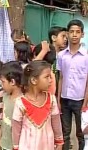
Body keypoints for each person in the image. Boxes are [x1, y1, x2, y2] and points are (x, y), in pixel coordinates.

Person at [12, 60, 64, 150]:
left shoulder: (51, 99)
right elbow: (16, 129)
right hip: (27, 146)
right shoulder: (20, 103)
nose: (51, 80)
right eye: (47, 77)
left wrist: (59, 142)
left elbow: (56, 123)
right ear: (34, 80)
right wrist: (16, 147)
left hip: (47, 146)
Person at [57, 19, 88, 150]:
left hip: (80, 100)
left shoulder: (86, 56)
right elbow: (61, 78)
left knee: (81, 132)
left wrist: (85, 103)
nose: (74, 35)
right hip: (64, 99)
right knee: (65, 132)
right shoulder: (61, 55)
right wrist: (58, 100)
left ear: (82, 34)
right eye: (71, 32)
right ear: (67, 34)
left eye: (77, 32)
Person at [0, 61, 23, 150]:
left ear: (12, 82)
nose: (2, 86)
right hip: (5, 143)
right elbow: (3, 119)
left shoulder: (23, 102)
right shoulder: (5, 96)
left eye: (3, 82)